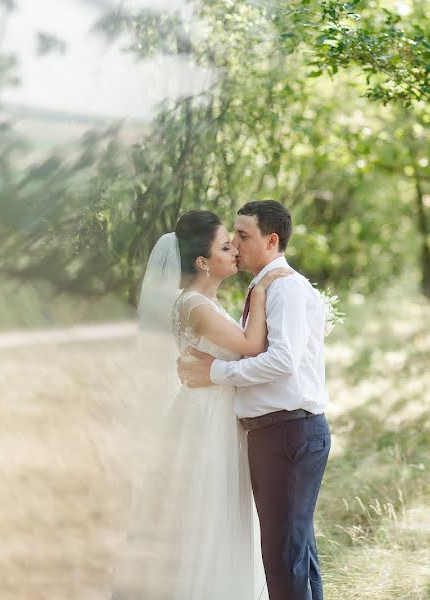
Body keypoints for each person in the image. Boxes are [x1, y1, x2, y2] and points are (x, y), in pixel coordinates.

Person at [114, 209, 289, 599]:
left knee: (220, 511)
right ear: (203, 262)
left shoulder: (204, 303)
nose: (235, 251)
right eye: (226, 246)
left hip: (214, 411)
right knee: (208, 509)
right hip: (208, 419)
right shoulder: (194, 305)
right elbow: (252, 346)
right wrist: (261, 289)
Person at [178, 200, 332, 600]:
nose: (236, 242)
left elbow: (280, 361)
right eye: (232, 236)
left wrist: (216, 372)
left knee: (285, 558)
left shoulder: (284, 286)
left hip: (290, 430)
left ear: (272, 239)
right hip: (269, 433)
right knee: (293, 554)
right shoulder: (263, 288)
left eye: (243, 236)